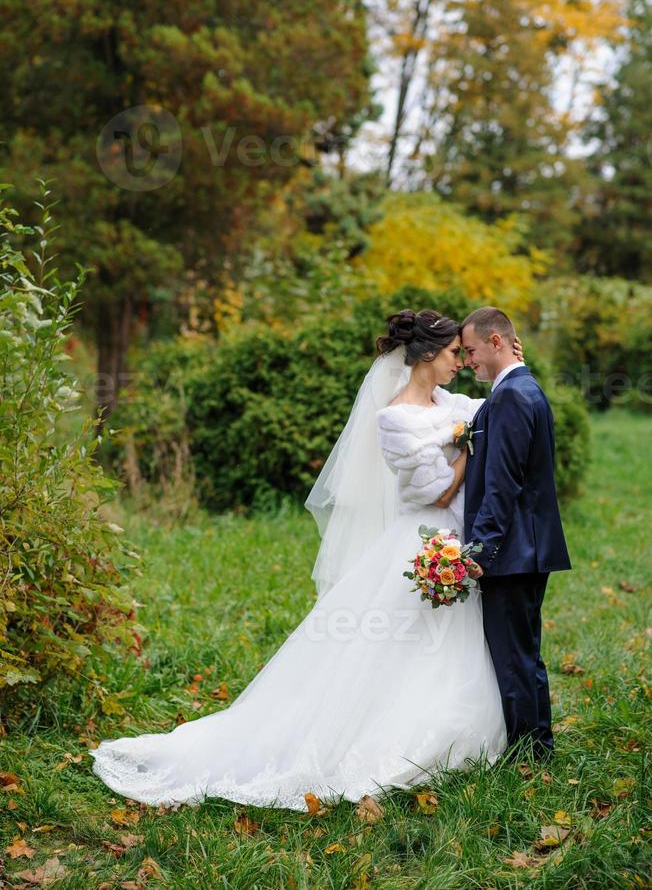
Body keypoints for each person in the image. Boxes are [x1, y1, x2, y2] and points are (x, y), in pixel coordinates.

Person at [90, 308, 518, 811]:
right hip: (424, 538)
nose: (459, 364)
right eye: (452, 354)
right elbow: (439, 494)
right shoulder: (396, 418)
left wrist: (504, 377)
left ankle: (456, 727)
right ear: (426, 354)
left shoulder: (450, 400)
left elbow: (489, 409)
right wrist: (468, 445)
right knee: (400, 641)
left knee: (448, 640)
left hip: (455, 540)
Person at [461, 307, 571, 759]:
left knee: (514, 655)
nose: (467, 361)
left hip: (511, 550)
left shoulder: (510, 397)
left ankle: (532, 750)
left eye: (470, 351)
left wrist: (479, 551)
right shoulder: (520, 389)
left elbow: (502, 484)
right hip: (527, 545)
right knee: (521, 649)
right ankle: (533, 742)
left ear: (496, 342)